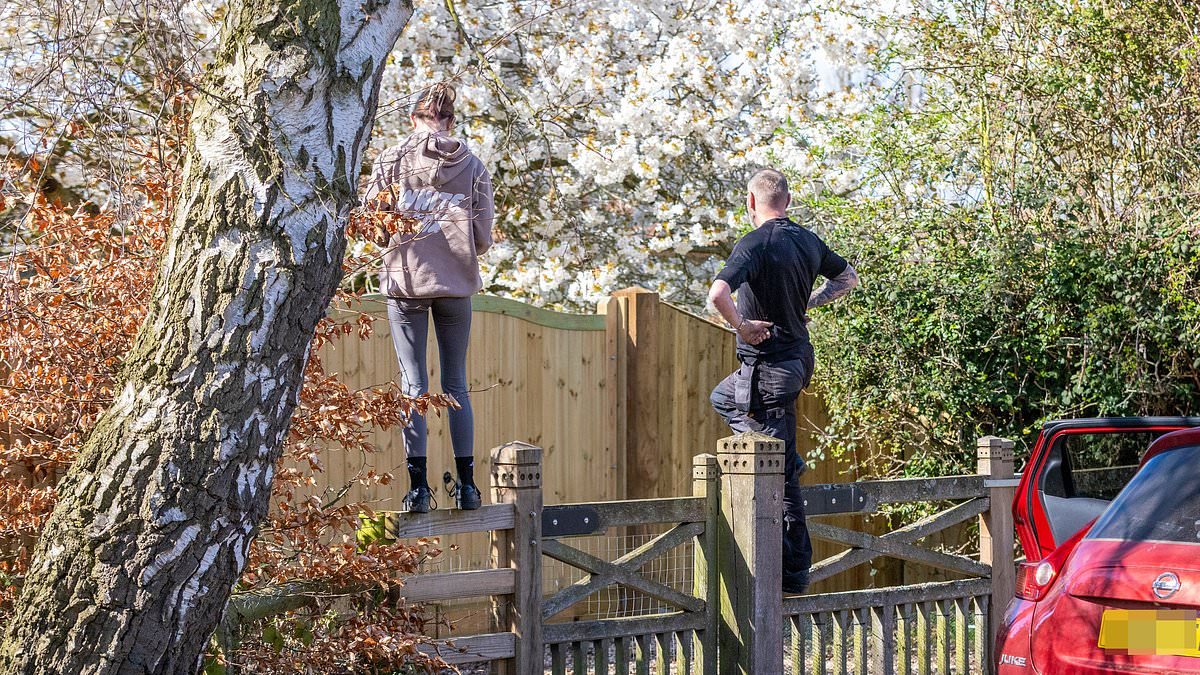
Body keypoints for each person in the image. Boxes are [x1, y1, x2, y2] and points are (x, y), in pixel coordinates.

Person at [708, 168, 859, 594]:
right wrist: (806, 302)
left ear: (750, 203)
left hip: (771, 368)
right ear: (788, 201)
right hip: (791, 361)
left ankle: (792, 572)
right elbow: (847, 279)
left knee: (781, 473)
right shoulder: (807, 240)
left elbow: (717, 294)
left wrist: (741, 326)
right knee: (724, 398)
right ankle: (777, 454)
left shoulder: (754, 243)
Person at [363, 84, 494, 513]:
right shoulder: (473, 166)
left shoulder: (390, 161)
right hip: (455, 286)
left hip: (406, 285)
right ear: (450, 122)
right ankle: (469, 486)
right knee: (456, 385)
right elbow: (482, 238)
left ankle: (418, 489)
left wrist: (401, 235)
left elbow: (374, 225)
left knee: (413, 385)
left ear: (413, 120)